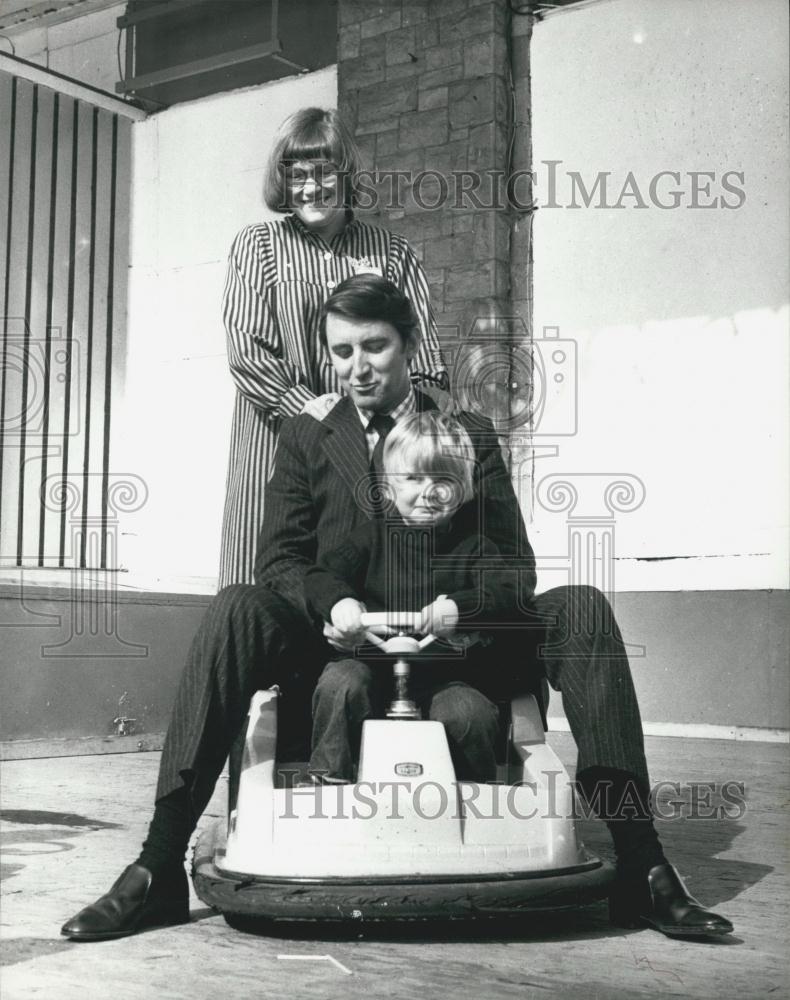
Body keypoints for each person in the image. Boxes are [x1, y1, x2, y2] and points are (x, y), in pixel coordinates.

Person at [61, 275, 733, 942]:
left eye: (374, 347)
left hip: (457, 650)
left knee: (579, 606)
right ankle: (157, 862)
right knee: (238, 605)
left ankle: (643, 865)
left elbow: (510, 563)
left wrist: (460, 609)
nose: (357, 367)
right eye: (342, 351)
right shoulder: (306, 436)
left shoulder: (466, 431)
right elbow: (282, 561)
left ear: (410, 344)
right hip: (342, 652)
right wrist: (338, 601)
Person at [218, 106, 446, 587]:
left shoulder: (393, 254)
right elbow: (248, 352)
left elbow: (423, 362)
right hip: (277, 439)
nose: (310, 187)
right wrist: (310, 409)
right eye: (297, 174)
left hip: (374, 448)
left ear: (348, 176)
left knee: (362, 591)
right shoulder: (257, 246)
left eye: (324, 173)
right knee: (273, 581)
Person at [306, 411, 521, 784]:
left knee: (469, 712)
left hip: (446, 677)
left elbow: (505, 590)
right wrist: (342, 604)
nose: (428, 491)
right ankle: (329, 780)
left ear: (465, 487)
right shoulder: (370, 538)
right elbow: (321, 576)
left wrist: (458, 609)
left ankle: (473, 799)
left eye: (443, 479)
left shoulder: (474, 547)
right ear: (389, 488)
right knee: (340, 683)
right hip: (369, 667)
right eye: (413, 478)